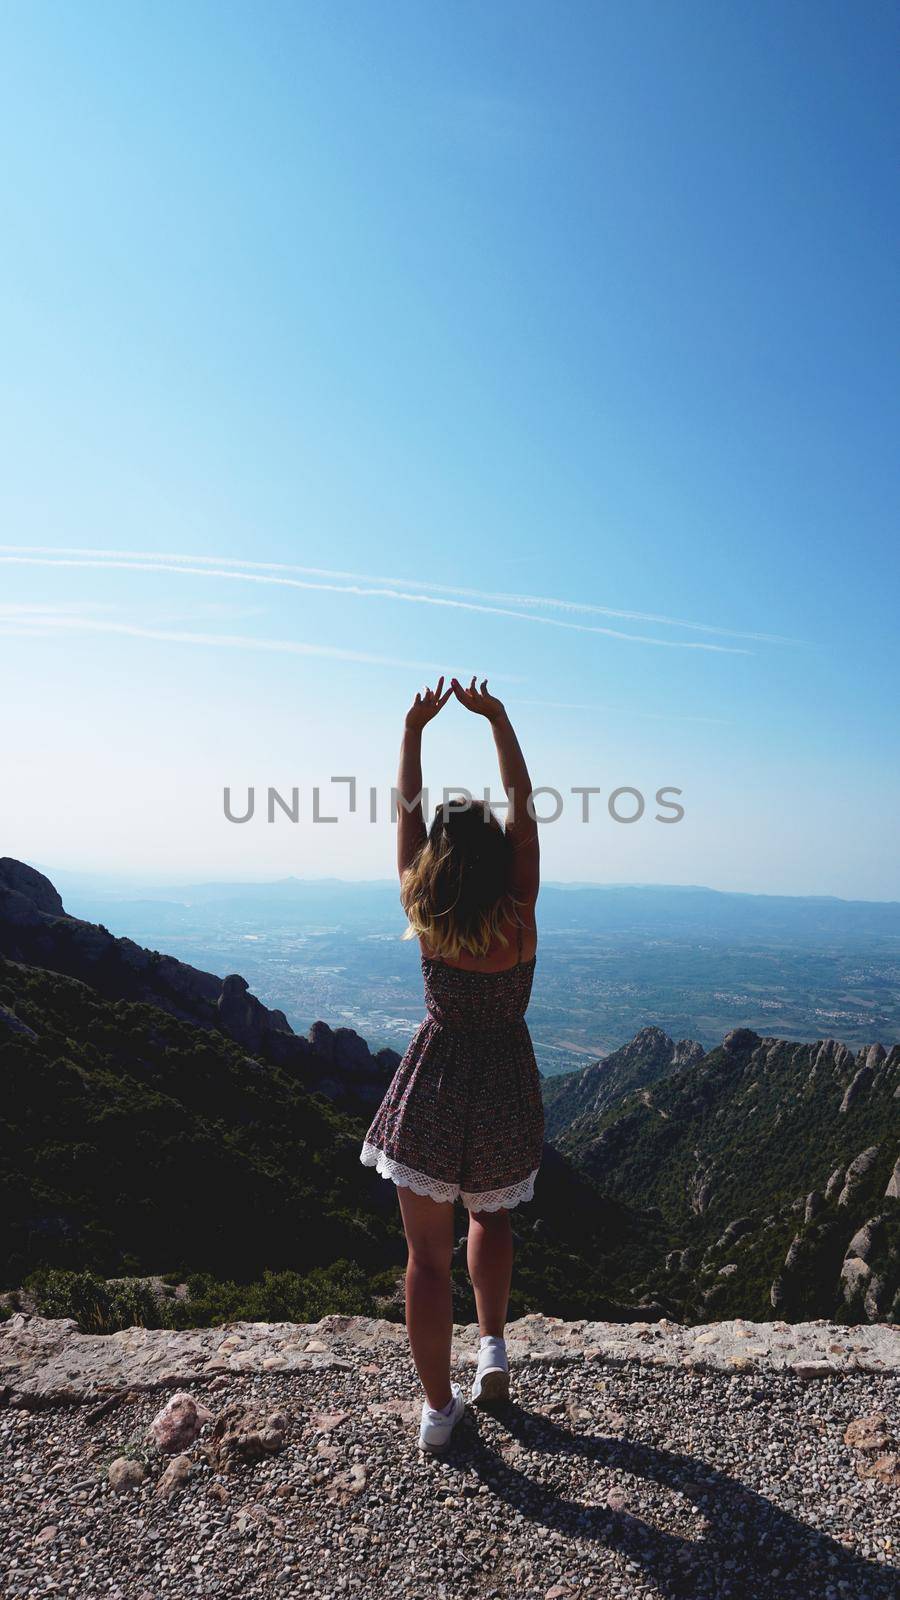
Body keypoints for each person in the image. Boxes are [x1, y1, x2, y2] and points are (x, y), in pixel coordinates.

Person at [360, 675, 545, 1452]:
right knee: (491, 1216)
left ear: (436, 856)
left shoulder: (423, 909)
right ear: (500, 853)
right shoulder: (520, 913)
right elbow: (524, 806)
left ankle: (439, 1412)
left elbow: (405, 813)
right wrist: (498, 720)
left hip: (433, 1086)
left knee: (424, 1261)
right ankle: (493, 1346)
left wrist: (413, 733)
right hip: (505, 1082)